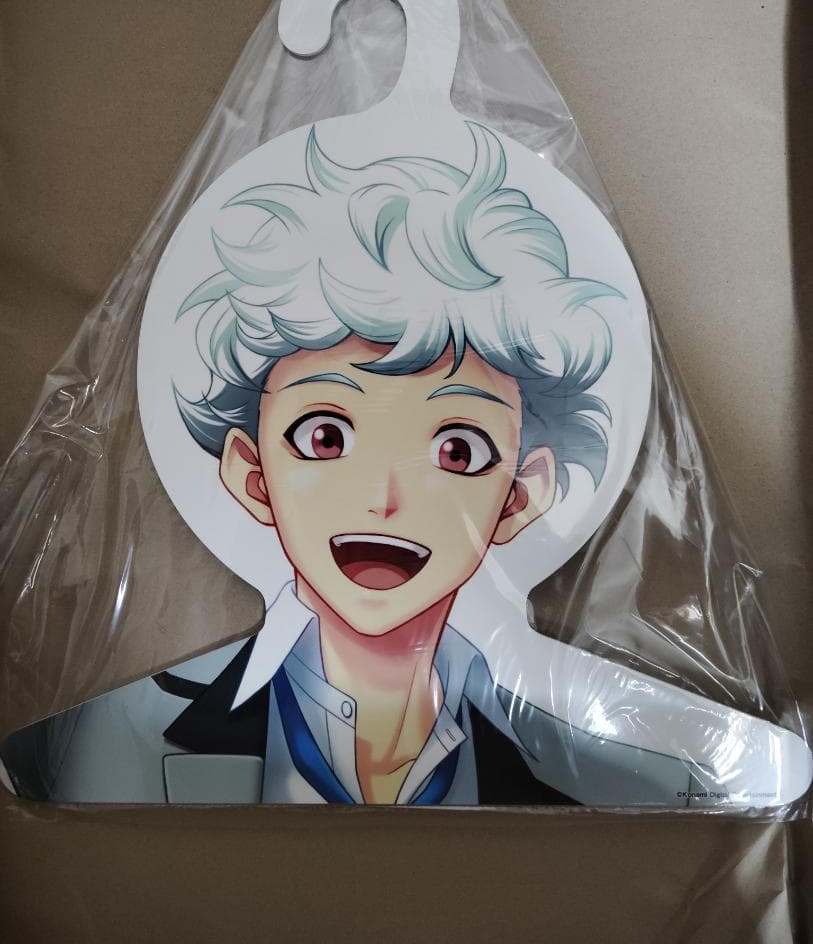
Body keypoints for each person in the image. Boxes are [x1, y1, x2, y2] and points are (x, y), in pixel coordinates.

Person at [154, 121, 621, 805]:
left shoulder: (600, 763)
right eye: (324, 438)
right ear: (253, 476)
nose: (383, 497)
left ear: (521, 495)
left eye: (456, 451)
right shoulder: (118, 741)